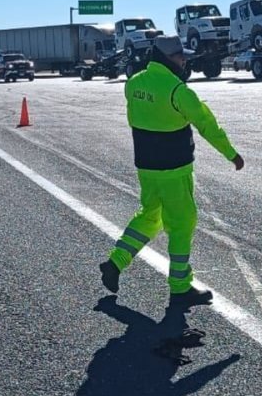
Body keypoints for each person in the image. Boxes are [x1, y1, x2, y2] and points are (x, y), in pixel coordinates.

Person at [100, 36, 244, 308]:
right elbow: (206, 124)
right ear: (168, 59)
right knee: (182, 223)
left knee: (149, 216)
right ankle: (180, 287)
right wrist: (231, 154)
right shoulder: (179, 91)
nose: (185, 60)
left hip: (146, 168)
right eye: (180, 56)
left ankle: (115, 262)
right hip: (174, 170)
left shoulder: (134, 83)